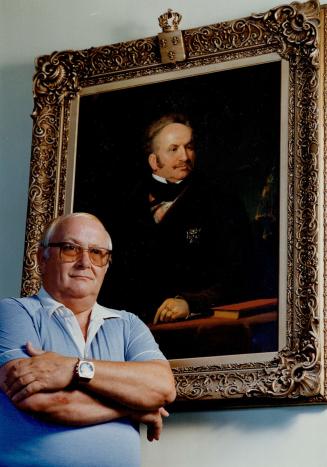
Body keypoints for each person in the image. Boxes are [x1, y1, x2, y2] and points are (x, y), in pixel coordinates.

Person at [0, 212, 176, 467]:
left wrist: (73, 368)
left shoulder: (128, 324)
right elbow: (38, 400)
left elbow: (162, 388)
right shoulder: (13, 312)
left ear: (106, 264)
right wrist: (133, 408)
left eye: (97, 253)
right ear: (42, 257)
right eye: (70, 249)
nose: (85, 262)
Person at [104, 114, 254, 324]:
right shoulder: (127, 207)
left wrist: (190, 303)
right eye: (173, 149)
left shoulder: (221, 202)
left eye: (189, 147)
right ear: (154, 161)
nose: (185, 156)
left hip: (196, 326)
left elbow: (240, 275)